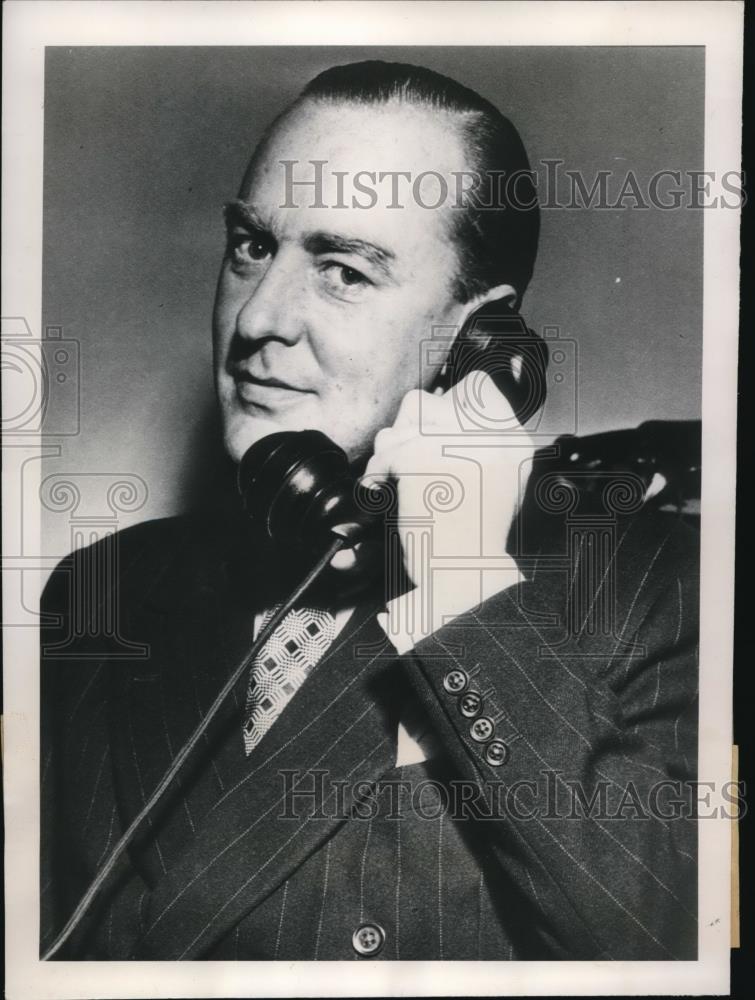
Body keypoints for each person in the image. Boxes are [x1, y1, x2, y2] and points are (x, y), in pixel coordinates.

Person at [40, 61, 698, 961]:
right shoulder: (103, 590)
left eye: (344, 271)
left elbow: (668, 940)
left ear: (477, 338)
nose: (258, 318)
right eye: (252, 246)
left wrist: (460, 589)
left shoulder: (655, 592)